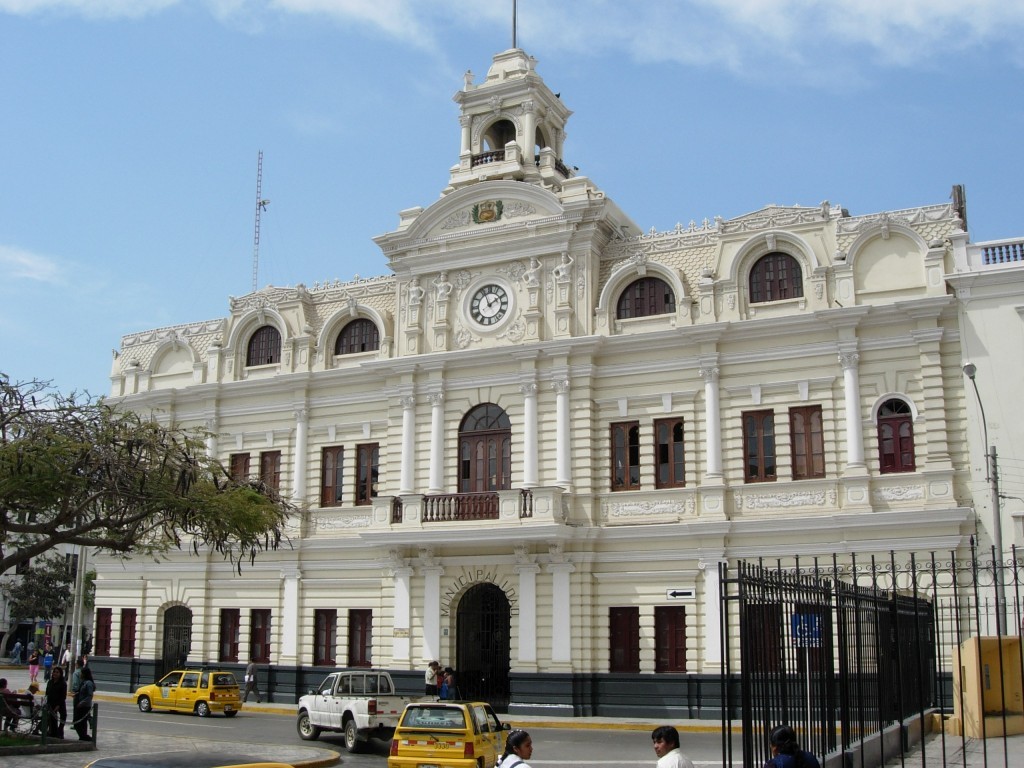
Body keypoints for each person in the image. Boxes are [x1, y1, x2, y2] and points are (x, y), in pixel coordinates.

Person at [72, 666, 95, 741]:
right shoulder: (83, 682)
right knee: (79, 723)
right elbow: (81, 692)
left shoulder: (88, 683)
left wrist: (82, 703)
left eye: (81, 673)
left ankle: (84, 737)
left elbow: (89, 695)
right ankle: (83, 736)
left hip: (84, 706)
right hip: (80, 705)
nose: (80, 674)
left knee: (80, 722)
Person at [45, 665, 68, 738]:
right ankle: (53, 733)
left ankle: (60, 731)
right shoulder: (50, 682)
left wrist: (58, 705)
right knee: (52, 718)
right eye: (54, 672)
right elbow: (47, 693)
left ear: (60, 674)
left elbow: (63, 696)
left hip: (60, 703)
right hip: (51, 703)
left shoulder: (63, 683)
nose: (55, 673)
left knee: (63, 716)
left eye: (57, 672)